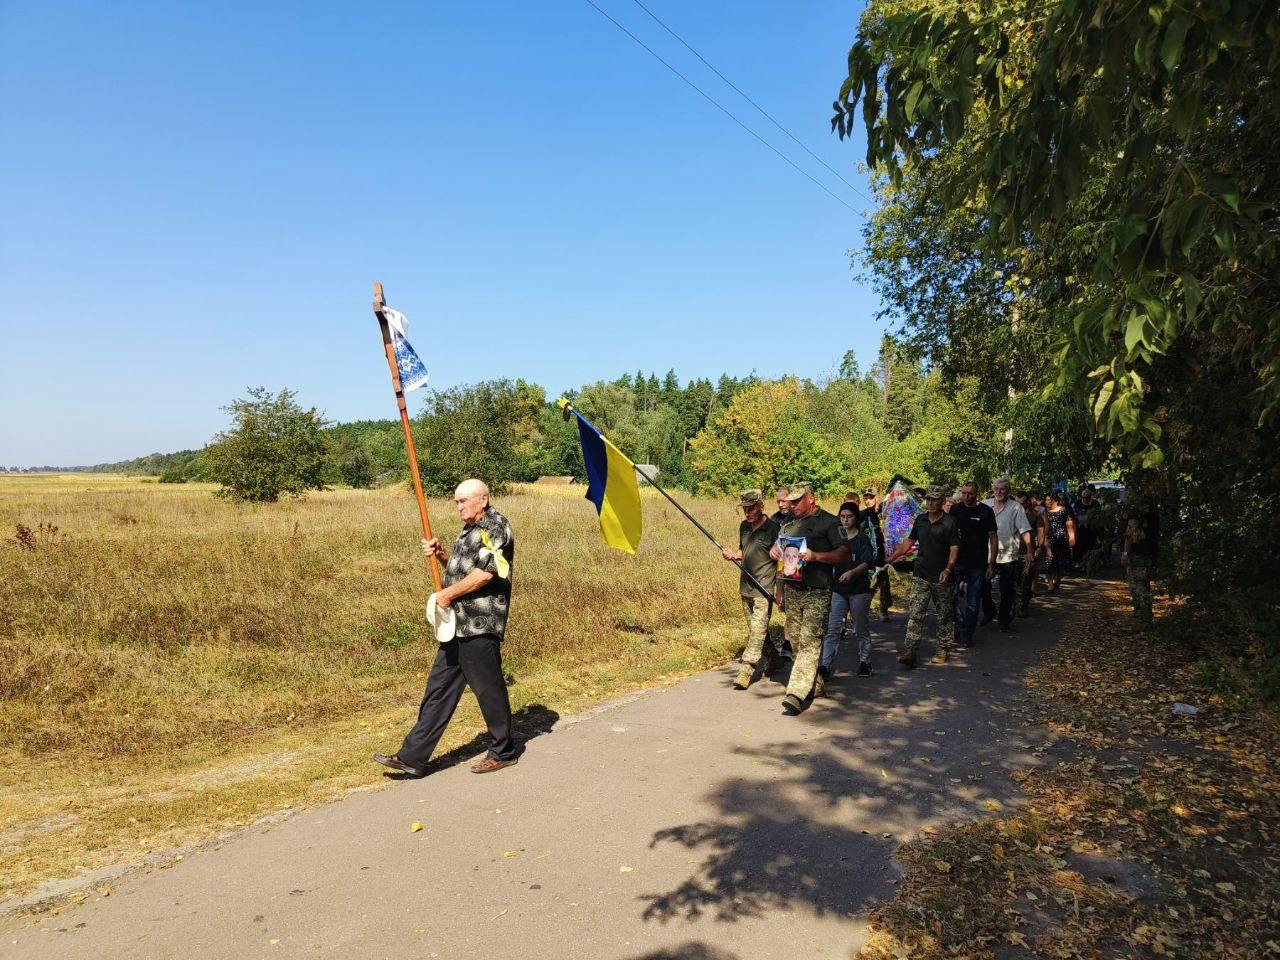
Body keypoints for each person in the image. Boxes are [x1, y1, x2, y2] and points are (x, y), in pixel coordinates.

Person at [374, 479, 519, 777]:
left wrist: (446, 595)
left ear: (483, 499)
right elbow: (459, 571)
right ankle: (412, 757)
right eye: (456, 501)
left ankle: (503, 751)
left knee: (488, 689)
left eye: (463, 501)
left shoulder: (496, 527)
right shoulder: (468, 530)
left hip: (480, 623)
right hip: (457, 624)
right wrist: (441, 553)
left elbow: (486, 575)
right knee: (438, 690)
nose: (458, 506)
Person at [768, 483, 850, 715]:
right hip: (793, 589)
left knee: (809, 640)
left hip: (818, 590)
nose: (791, 506)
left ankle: (795, 693)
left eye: (796, 501)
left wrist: (816, 556)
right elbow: (780, 553)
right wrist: (774, 554)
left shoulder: (829, 522)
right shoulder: (788, 524)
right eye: (790, 502)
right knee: (794, 641)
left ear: (811, 498)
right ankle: (815, 683)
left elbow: (844, 553)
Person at [887, 485, 960, 667]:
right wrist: (890, 558)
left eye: (935, 499)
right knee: (916, 614)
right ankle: (911, 650)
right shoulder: (920, 520)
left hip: (942, 577)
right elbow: (907, 544)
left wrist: (948, 569)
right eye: (928, 499)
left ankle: (943, 648)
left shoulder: (951, 522)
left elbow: (954, 548)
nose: (930, 503)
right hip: (921, 574)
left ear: (943, 501)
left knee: (944, 615)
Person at [725, 490, 782, 690]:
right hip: (745, 587)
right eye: (745, 510)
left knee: (757, 631)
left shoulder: (774, 529)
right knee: (757, 631)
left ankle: (746, 669)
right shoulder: (744, 527)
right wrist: (733, 555)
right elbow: (743, 550)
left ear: (761, 507)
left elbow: (782, 560)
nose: (748, 513)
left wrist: (780, 588)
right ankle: (775, 658)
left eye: (751, 509)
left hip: (764, 588)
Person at [819, 502, 876, 694]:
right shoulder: (836, 539)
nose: (845, 520)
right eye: (842, 516)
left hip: (859, 590)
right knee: (833, 628)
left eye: (849, 516)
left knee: (860, 628)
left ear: (855, 518)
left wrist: (852, 573)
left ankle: (865, 662)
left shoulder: (862, 539)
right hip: (838, 590)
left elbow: (868, 562)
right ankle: (825, 666)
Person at [949, 481, 998, 647]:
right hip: (957, 561)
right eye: (963, 493)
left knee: (973, 600)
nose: (966, 497)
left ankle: (967, 633)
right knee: (952, 596)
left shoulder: (986, 511)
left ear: (977, 494)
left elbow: (993, 537)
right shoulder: (955, 510)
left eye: (970, 493)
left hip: (977, 563)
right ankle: (959, 624)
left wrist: (992, 563)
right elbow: (949, 535)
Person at [984, 478, 1033, 631]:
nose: (998, 492)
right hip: (986, 553)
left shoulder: (1016, 507)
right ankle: (989, 610)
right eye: (996, 488)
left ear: (1008, 491)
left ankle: (1003, 620)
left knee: (1007, 590)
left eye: (1002, 489)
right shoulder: (985, 505)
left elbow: (1025, 529)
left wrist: (1030, 550)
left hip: (1008, 554)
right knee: (981, 586)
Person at [1121, 502, 1160, 622]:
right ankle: (1143, 613)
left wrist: (1125, 554)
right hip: (1147, 555)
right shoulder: (1153, 517)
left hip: (1138, 556)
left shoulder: (1136, 518)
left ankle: (1142, 613)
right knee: (1143, 585)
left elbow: (1129, 536)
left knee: (1137, 586)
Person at [862, 487, 892, 621]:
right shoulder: (862, 515)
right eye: (866, 498)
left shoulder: (883, 513)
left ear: (876, 498)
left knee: (884, 585)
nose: (868, 500)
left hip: (883, 555)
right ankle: (863, 612)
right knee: (869, 586)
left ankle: (883, 610)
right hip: (869, 557)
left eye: (871, 497)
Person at [1042, 490, 1077, 592]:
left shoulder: (1063, 510)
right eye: (1047, 500)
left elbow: (1069, 525)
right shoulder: (1043, 512)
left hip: (1062, 539)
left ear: (1056, 501)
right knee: (1048, 562)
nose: (1048, 502)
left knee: (1060, 562)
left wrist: (1072, 537)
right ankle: (1050, 584)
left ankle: (1058, 578)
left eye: (1050, 500)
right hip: (1048, 538)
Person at [1072, 484, 1099, 565]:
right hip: (1080, 528)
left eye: (1087, 497)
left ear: (1090, 496)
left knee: (1090, 545)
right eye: (1083, 497)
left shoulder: (1095, 503)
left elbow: (1097, 514)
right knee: (1079, 545)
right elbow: (1076, 513)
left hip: (1091, 528)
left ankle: (1090, 562)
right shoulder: (1077, 503)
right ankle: (1078, 561)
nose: (1085, 499)